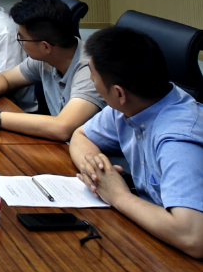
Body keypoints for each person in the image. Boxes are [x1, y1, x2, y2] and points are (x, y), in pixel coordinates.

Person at [69, 27, 203, 258]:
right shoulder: (131, 105)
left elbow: (193, 237)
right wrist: (95, 170)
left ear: (119, 93)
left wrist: (117, 195)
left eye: (93, 75)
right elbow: (81, 136)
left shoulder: (178, 140)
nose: (90, 79)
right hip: (153, 237)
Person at [0, 0, 106, 141]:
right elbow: (5, 78)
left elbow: (62, 127)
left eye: (21, 38)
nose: (19, 42)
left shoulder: (90, 72)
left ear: (45, 47)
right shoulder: (46, 58)